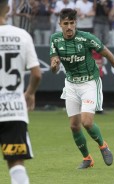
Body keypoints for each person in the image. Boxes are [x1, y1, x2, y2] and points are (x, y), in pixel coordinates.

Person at [50, 8, 114, 169]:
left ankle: (103, 145)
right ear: (60, 24)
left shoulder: (86, 38)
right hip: (71, 84)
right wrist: (54, 66)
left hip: (89, 82)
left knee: (87, 122)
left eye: (72, 23)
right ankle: (88, 159)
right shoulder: (55, 39)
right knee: (74, 126)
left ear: (76, 23)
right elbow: (53, 66)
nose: (69, 27)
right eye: (65, 23)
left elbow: (109, 56)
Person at [0, 0, 42, 183]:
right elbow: (36, 74)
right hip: (13, 110)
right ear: (8, 9)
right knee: (16, 163)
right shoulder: (21, 35)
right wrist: (30, 93)